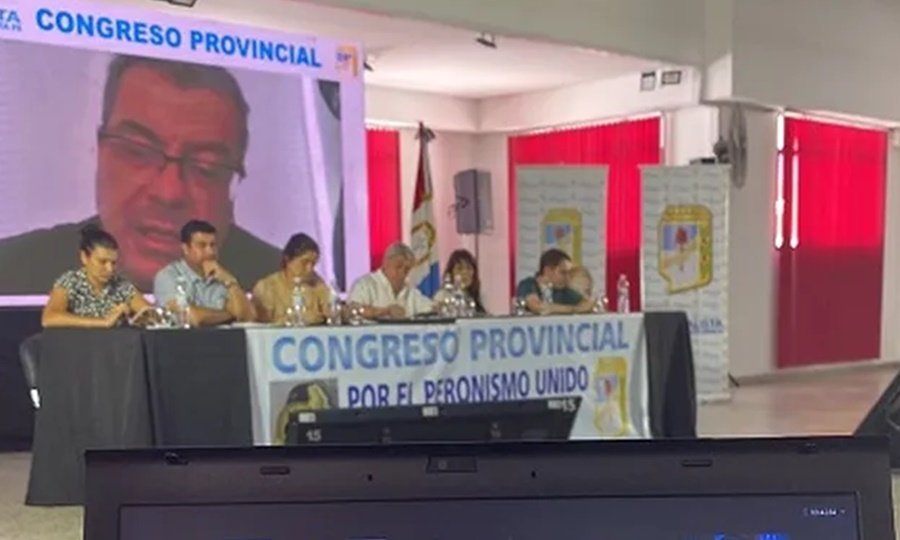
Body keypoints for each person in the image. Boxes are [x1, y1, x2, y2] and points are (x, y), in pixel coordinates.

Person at [0, 54, 280, 293]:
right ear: (100, 153)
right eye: (137, 151)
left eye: (205, 167)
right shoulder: (12, 272)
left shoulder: (278, 280)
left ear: (232, 189)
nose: (169, 193)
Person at [42, 226, 154, 328]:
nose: (110, 269)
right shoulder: (71, 281)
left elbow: (153, 317)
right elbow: (49, 318)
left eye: (113, 263)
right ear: (84, 257)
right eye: (102, 262)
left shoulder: (121, 285)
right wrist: (104, 322)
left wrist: (133, 318)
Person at [153, 220, 254, 327]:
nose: (210, 252)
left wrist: (230, 282)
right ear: (185, 249)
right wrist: (231, 315)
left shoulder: (223, 277)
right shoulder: (168, 276)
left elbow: (247, 317)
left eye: (213, 245)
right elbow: (192, 317)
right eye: (202, 245)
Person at [252, 233, 331, 325]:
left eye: (313, 264)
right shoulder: (267, 287)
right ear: (288, 259)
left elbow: (331, 312)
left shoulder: (317, 284)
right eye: (304, 262)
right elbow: (262, 325)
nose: (309, 269)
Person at [348, 242, 433, 319]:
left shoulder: (410, 292)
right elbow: (352, 310)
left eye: (407, 269)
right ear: (385, 263)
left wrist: (438, 306)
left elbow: (430, 308)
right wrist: (385, 311)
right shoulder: (365, 285)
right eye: (398, 266)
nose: (402, 272)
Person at [516, 248, 593, 315]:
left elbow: (588, 304)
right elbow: (537, 306)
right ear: (548, 271)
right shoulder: (528, 284)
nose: (567, 278)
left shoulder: (563, 291)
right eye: (563, 273)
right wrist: (573, 309)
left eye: (569, 273)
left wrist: (568, 309)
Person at [433, 249, 487, 314]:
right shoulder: (442, 296)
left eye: (469, 268)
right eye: (459, 269)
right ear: (451, 273)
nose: (465, 272)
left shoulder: (480, 297)